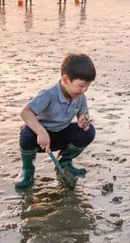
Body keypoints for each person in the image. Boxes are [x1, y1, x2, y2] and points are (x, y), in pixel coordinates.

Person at [14, 53, 97, 189]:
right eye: (81, 85)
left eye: (88, 86)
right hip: (41, 139)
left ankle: (65, 162)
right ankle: (27, 170)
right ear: (65, 79)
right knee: (26, 133)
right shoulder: (49, 94)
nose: (84, 90)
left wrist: (83, 119)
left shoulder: (80, 96)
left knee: (88, 131)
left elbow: (83, 112)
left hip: (62, 134)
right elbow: (25, 112)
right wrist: (41, 131)